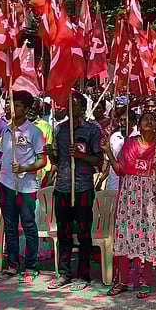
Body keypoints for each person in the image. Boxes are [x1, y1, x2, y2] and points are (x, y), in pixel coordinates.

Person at [104, 111, 156, 296]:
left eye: (152, 120)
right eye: (145, 120)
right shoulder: (129, 144)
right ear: (138, 126)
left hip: (150, 197)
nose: (149, 122)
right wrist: (108, 152)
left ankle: (147, 281)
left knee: (148, 236)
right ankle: (122, 280)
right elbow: (119, 170)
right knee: (125, 235)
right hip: (129, 196)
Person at [48, 96, 102, 290]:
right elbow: (55, 158)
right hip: (62, 186)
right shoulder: (60, 129)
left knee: (83, 233)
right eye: (69, 104)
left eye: (76, 104)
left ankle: (83, 276)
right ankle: (64, 273)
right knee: (64, 233)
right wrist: (51, 154)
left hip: (83, 188)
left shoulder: (92, 130)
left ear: (84, 108)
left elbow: (98, 161)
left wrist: (81, 156)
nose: (71, 107)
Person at [0, 91, 47, 283]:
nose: (12, 109)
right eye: (11, 105)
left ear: (26, 109)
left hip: (26, 186)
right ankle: (12, 264)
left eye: (17, 105)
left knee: (28, 225)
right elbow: (3, 157)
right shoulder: (6, 130)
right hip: (6, 184)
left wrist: (25, 167)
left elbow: (42, 160)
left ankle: (31, 265)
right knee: (10, 226)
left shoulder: (34, 132)